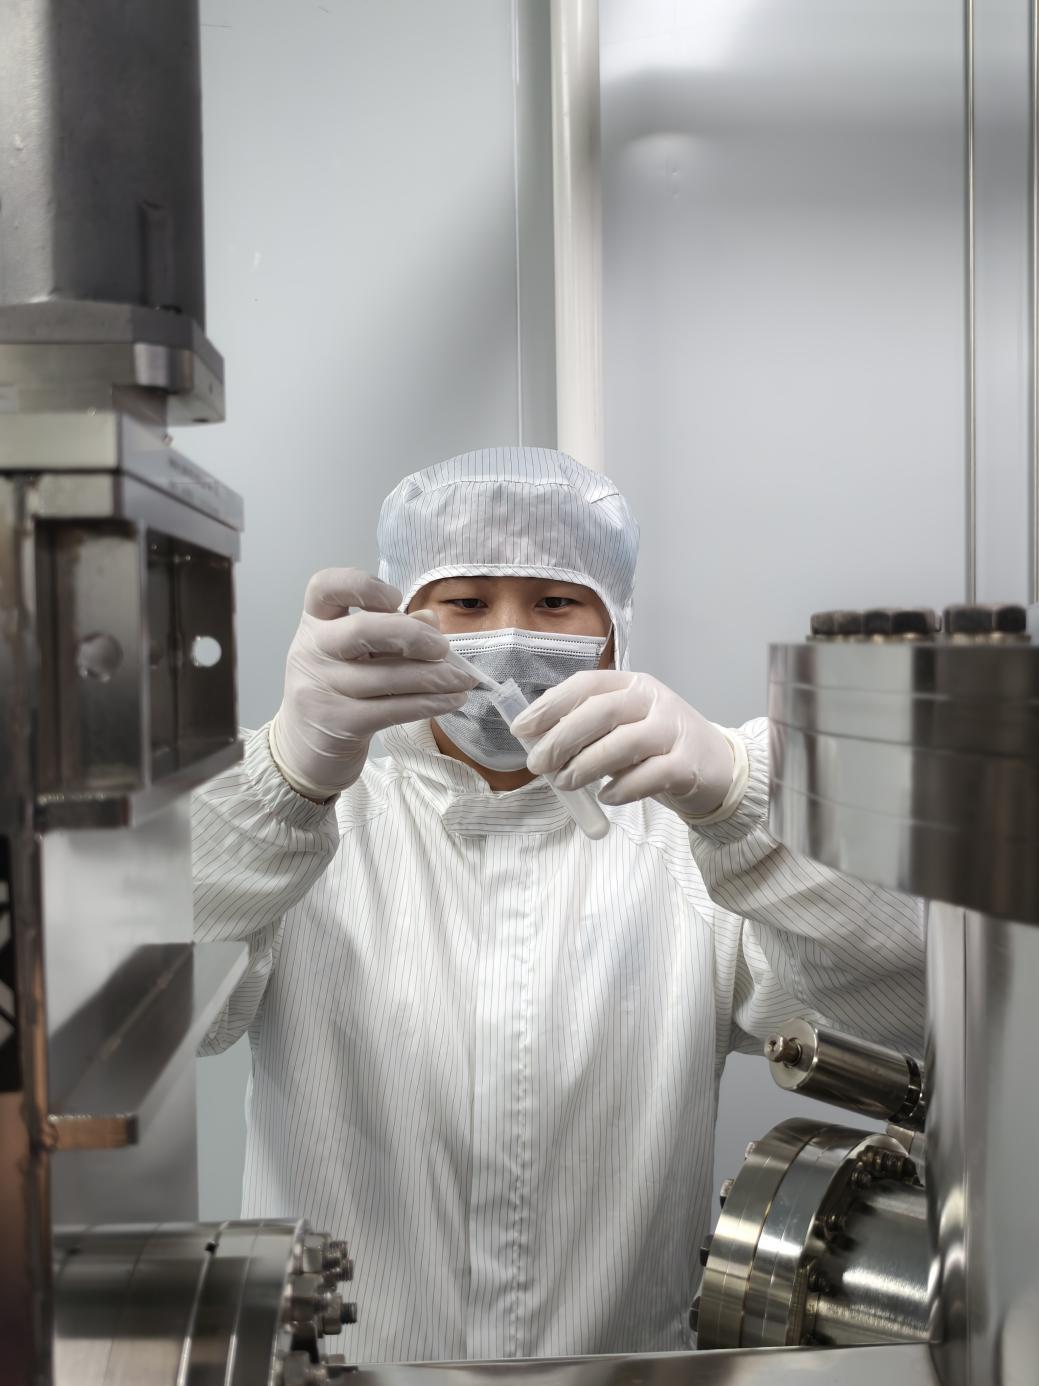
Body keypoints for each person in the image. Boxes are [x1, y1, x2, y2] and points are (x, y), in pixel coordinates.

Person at [193, 447, 924, 1362]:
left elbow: (903, 1010)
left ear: (614, 627)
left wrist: (746, 803)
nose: (508, 637)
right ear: (399, 620)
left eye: (552, 602)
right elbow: (169, 1014)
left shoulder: (684, 844)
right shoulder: (308, 828)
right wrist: (282, 785)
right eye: (465, 602)